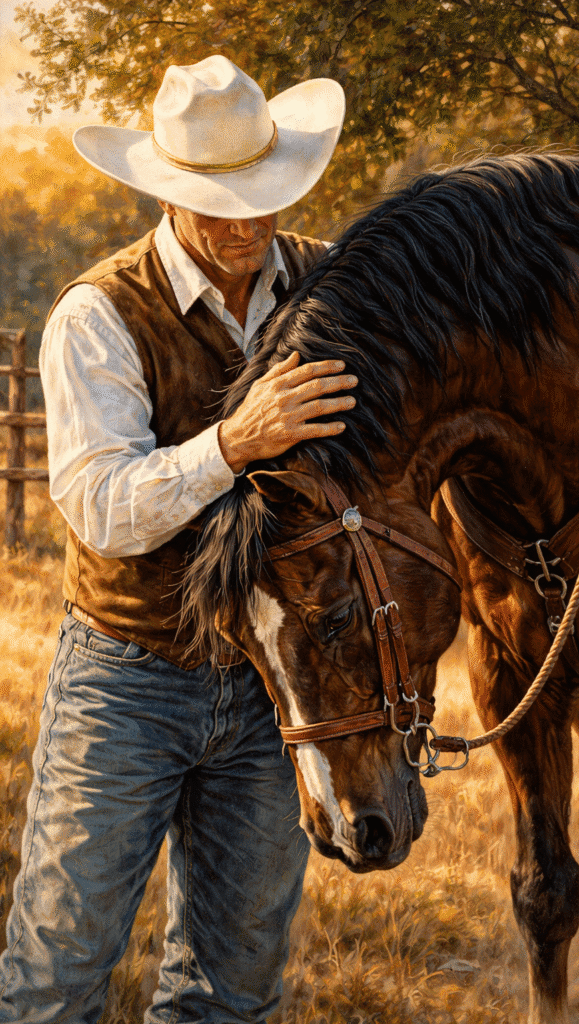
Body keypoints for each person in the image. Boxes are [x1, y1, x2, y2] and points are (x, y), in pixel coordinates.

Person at [0, 55, 356, 1023]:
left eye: (261, 200)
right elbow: (104, 510)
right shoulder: (99, 313)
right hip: (128, 672)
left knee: (233, 982)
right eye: (217, 205)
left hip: (270, 675)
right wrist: (236, 441)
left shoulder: (328, 282)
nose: (243, 226)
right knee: (60, 967)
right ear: (168, 197)